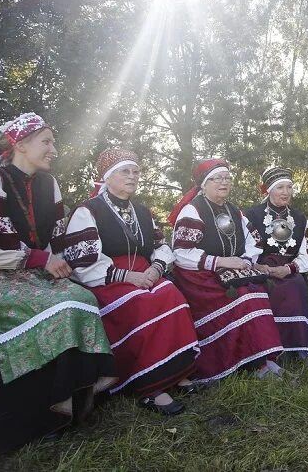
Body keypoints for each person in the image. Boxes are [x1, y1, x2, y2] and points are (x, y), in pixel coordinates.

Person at [0, 113, 116, 454]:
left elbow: (52, 240)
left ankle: (74, 404)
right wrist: (40, 261)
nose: (54, 149)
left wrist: (62, 263)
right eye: (46, 142)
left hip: (28, 271)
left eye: (54, 142)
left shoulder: (48, 184)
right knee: (59, 307)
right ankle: (36, 417)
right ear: (20, 144)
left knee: (82, 298)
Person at [61, 149, 200, 415]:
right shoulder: (88, 211)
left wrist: (156, 269)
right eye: (125, 171)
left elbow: (160, 246)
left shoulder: (142, 211)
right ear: (107, 177)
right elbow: (84, 263)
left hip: (145, 273)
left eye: (136, 171)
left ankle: (176, 372)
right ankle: (151, 387)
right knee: (144, 303)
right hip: (107, 280)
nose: (133, 176)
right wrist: (128, 276)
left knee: (172, 295)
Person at [169, 159, 284, 381]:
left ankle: (264, 358)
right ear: (204, 183)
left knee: (255, 288)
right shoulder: (192, 210)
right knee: (244, 296)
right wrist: (221, 262)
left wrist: (245, 261)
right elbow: (181, 253)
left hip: (230, 270)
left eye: (227, 178)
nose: (224, 182)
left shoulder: (234, 211)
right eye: (218, 178)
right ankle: (252, 363)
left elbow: (254, 242)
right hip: (199, 276)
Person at [246, 166, 308, 362]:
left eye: (289, 187)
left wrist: (288, 268)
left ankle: (297, 348)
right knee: (259, 287)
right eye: (280, 187)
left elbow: (307, 253)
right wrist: (257, 266)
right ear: (268, 189)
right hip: (260, 267)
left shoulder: (300, 218)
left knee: (295, 285)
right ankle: (267, 348)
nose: (286, 192)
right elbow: (245, 247)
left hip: (288, 267)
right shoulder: (251, 216)